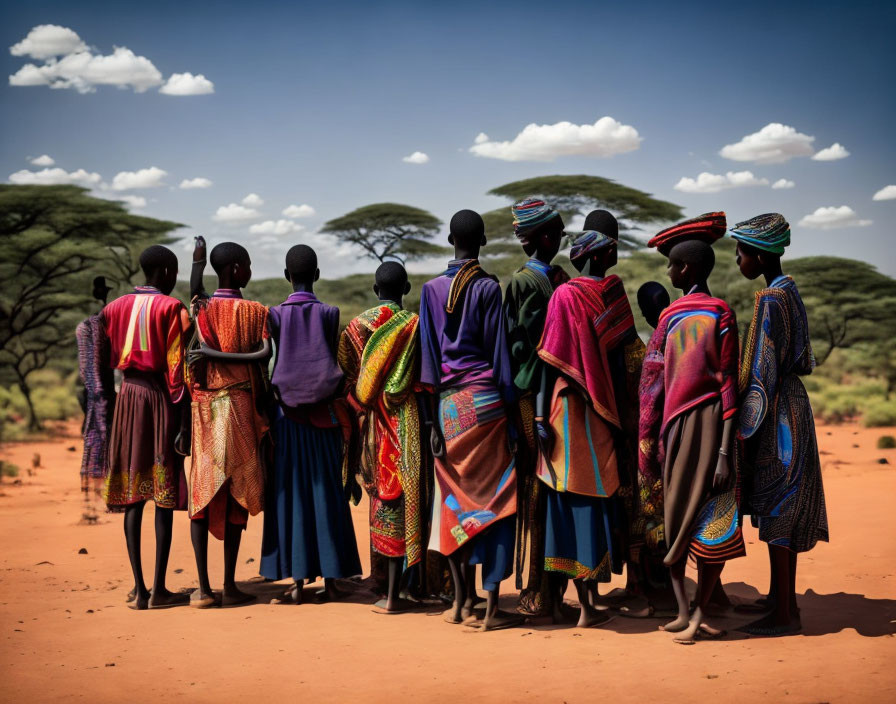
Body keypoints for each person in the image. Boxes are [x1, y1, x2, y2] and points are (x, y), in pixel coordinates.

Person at [418, 209, 523, 631]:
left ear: (449, 240)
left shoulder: (428, 290)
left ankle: (462, 602)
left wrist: (430, 426)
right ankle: (493, 607)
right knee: (497, 500)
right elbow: (501, 359)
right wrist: (514, 422)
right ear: (481, 241)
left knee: (454, 504)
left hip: (448, 409)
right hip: (487, 406)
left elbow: (426, 364)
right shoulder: (487, 287)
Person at [535, 228, 644, 627]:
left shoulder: (563, 295)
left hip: (565, 407)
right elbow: (623, 358)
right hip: (605, 411)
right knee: (597, 496)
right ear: (598, 257)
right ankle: (590, 603)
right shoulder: (613, 295)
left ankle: (581, 604)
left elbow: (549, 358)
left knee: (567, 492)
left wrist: (539, 416)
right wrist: (619, 413)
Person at [638, 240, 745, 644]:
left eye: (671, 266)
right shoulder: (685, 314)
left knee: (706, 516)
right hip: (688, 425)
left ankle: (697, 613)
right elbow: (658, 375)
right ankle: (685, 611)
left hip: (701, 425)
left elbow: (726, 383)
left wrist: (722, 453)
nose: (668, 273)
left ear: (687, 270)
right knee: (680, 514)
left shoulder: (712, 314)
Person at [730, 213, 829, 636]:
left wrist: (742, 425)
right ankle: (780, 598)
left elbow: (763, 369)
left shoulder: (771, 298)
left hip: (777, 412)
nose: (736, 259)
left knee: (777, 501)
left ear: (757, 254)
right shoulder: (790, 289)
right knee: (783, 499)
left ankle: (783, 615)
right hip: (795, 404)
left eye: (740, 252)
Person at [259, 244, 362, 603]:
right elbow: (328, 357)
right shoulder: (330, 313)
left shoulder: (274, 315)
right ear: (317, 275)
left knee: (291, 495)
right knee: (327, 494)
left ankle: (298, 582)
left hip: (286, 418)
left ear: (288, 277)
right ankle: (333, 579)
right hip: (324, 418)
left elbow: (269, 362)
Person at [102, 246, 191, 610]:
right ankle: (158, 590)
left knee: (133, 495)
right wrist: (182, 418)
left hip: (127, 397)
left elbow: (104, 364)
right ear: (166, 271)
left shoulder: (113, 308)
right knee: (162, 494)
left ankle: (138, 590)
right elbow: (175, 371)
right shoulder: (172, 308)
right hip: (157, 399)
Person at [187, 242, 270, 608]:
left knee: (203, 495)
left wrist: (198, 261)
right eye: (248, 266)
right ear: (236, 269)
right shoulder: (256, 311)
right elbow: (264, 355)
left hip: (205, 411)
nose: (250, 271)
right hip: (240, 406)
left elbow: (194, 288)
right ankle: (229, 585)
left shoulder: (202, 307)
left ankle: (204, 589)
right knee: (237, 492)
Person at [339, 260, 422, 613]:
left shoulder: (356, 328)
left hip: (372, 422)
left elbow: (345, 378)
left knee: (380, 496)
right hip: (408, 420)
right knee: (411, 494)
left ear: (375, 291)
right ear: (406, 289)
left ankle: (382, 582)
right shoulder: (416, 325)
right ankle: (410, 583)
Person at [503, 197, 568, 617]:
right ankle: (544, 589)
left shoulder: (531, 281)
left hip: (536, 400)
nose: (561, 239)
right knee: (546, 488)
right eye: (557, 232)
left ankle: (541, 588)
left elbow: (514, 350)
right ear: (543, 237)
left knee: (541, 488)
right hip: (547, 401)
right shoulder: (536, 282)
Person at [76, 276, 115, 502]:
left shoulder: (94, 324)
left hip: (98, 390)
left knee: (98, 435)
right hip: (100, 391)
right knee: (98, 434)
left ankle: (96, 483)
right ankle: (96, 484)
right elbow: (89, 366)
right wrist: (100, 393)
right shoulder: (92, 326)